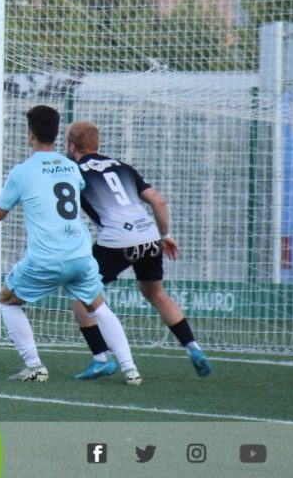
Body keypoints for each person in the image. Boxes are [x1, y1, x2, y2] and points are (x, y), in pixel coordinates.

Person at [0, 105, 141, 384]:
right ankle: (130, 368)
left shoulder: (22, 172)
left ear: (29, 134)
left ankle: (34, 366)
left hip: (46, 257)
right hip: (79, 253)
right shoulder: (70, 166)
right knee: (98, 306)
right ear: (57, 135)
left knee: (7, 300)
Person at [66, 121, 214, 379]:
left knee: (81, 293)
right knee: (156, 293)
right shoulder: (122, 166)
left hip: (117, 239)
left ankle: (101, 358)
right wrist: (165, 234)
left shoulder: (74, 171)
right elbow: (157, 200)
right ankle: (194, 348)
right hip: (148, 235)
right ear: (96, 144)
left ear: (71, 146)